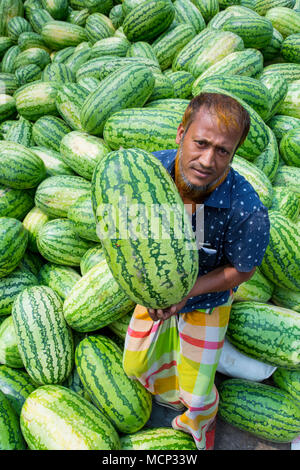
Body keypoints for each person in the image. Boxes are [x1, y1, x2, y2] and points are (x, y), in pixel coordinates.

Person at [122, 92, 270, 450]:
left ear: (235, 154)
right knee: (136, 362)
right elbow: (124, 237)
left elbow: (243, 271)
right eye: (201, 143)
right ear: (180, 134)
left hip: (207, 298)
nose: (208, 159)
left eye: (223, 151)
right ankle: (166, 396)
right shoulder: (146, 176)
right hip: (155, 288)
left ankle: (197, 428)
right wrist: (149, 291)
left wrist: (186, 292)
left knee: (198, 388)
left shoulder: (248, 211)